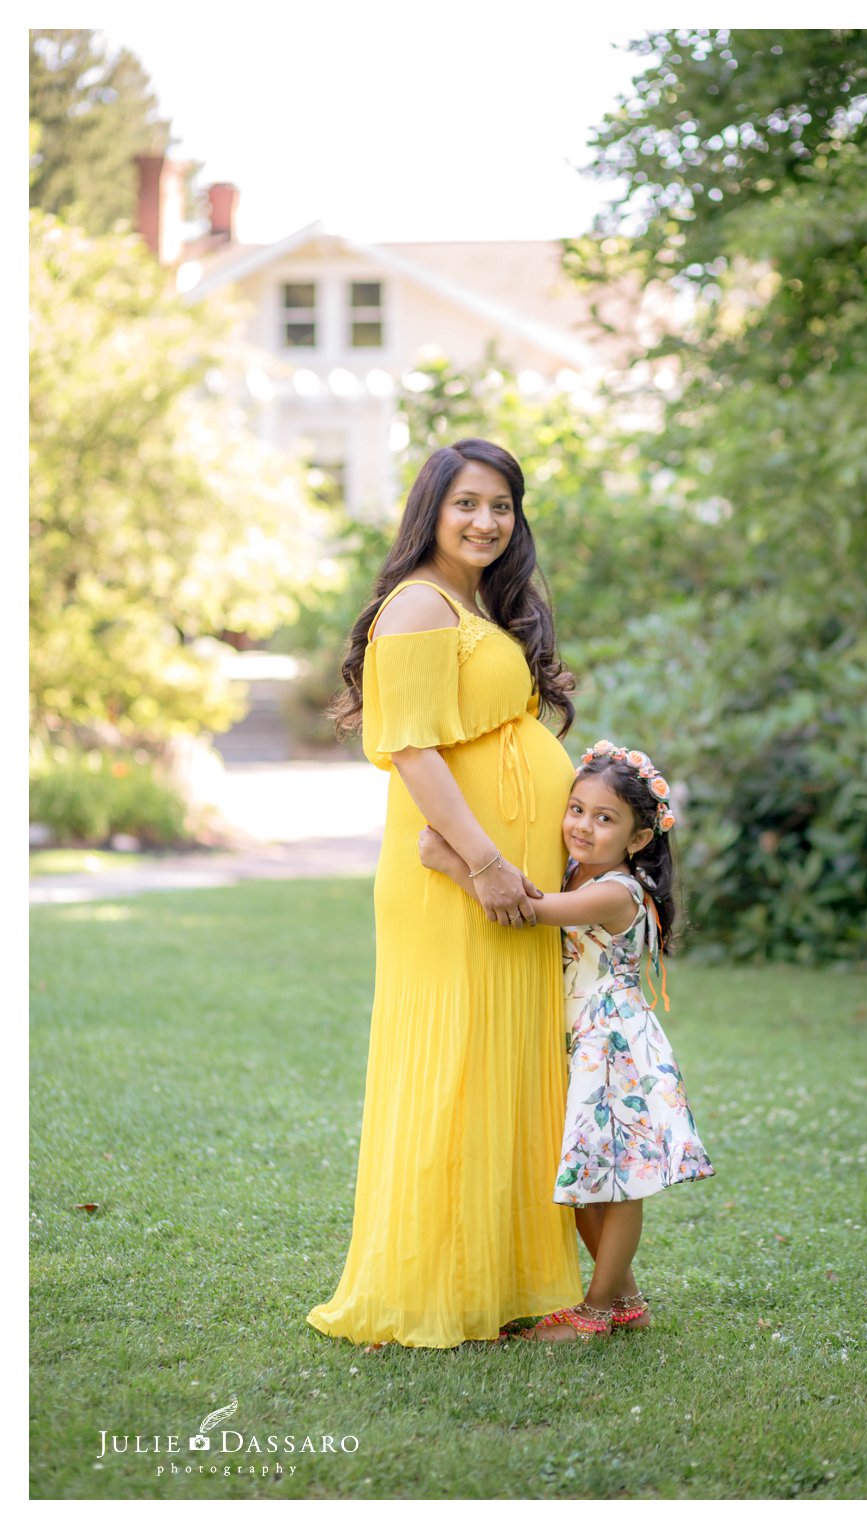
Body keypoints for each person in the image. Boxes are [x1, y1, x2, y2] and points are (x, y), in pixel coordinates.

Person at [308, 439, 585, 1348]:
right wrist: (486, 861)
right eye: (467, 502)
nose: (486, 521)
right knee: (458, 1069)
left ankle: (505, 1286)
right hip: (456, 878)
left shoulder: (469, 601)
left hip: (495, 873)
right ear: (431, 507)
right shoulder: (419, 605)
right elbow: (413, 748)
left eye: (502, 505)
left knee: (505, 1069)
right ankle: (441, 1288)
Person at [421, 741, 714, 1339]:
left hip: (611, 1047)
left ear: (637, 839)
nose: (582, 826)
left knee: (620, 1184)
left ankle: (597, 1311)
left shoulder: (617, 891)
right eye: (576, 808)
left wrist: (454, 863)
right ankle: (624, 1301)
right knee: (584, 1182)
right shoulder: (578, 868)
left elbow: (531, 911)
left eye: (605, 819)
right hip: (578, 1044)